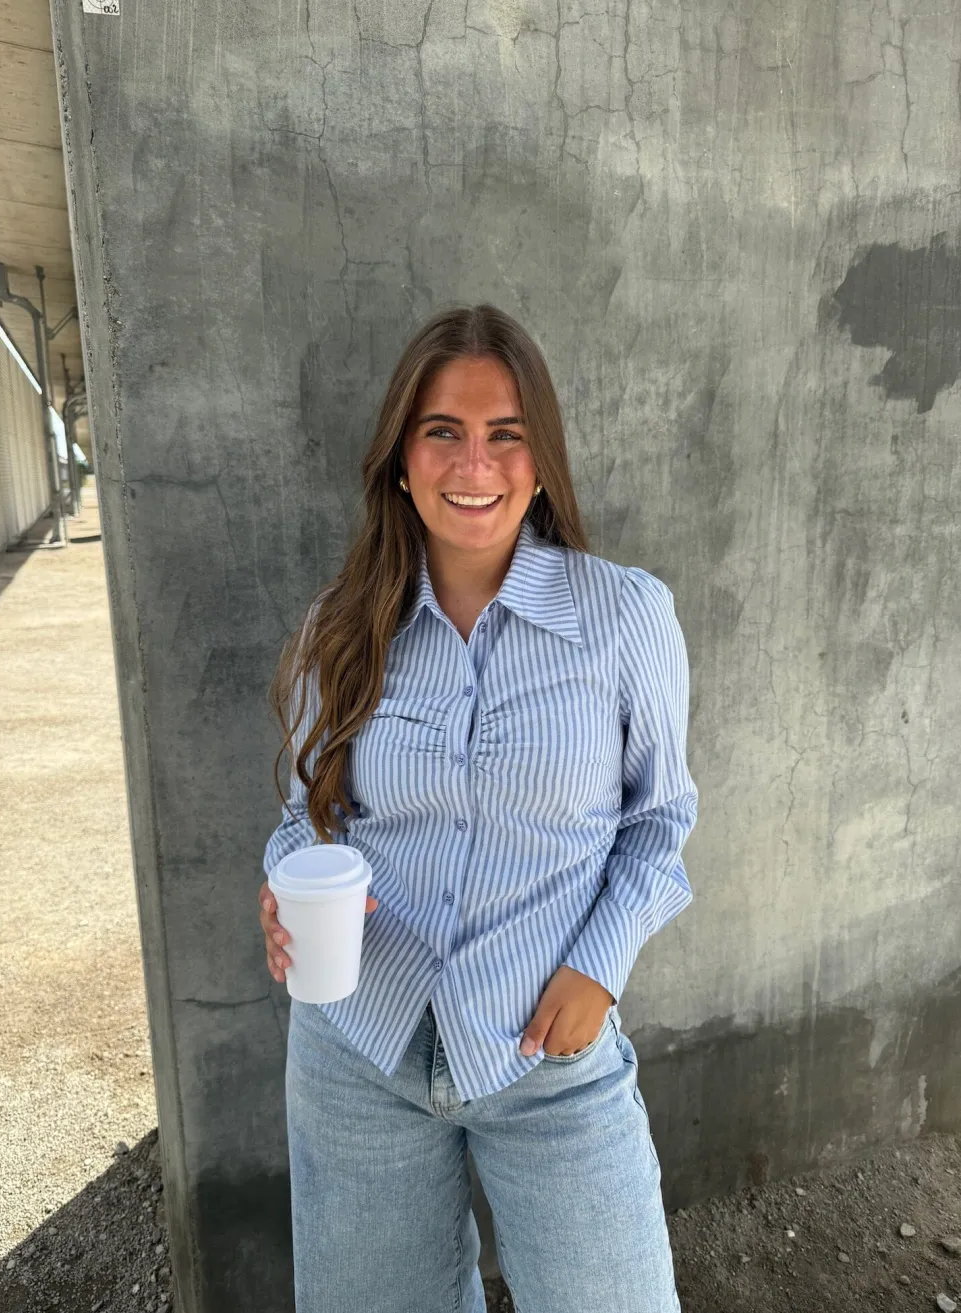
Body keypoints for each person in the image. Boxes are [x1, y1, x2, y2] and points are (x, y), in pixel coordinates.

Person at [257, 303, 699, 1313]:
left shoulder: (624, 616)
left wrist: (601, 965)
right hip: (358, 1045)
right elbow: (304, 814)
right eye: (442, 431)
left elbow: (659, 821)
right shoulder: (338, 628)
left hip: (547, 1050)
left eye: (506, 434)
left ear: (540, 463)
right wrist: (282, 888)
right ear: (400, 460)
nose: (474, 463)